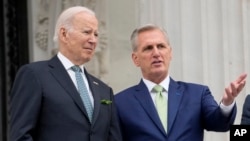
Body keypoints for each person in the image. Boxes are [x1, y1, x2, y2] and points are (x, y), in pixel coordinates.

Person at [114, 24, 247, 141]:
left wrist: (227, 102)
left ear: (170, 53)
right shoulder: (120, 103)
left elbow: (219, 124)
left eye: (161, 46)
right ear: (135, 59)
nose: (156, 53)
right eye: (148, 48)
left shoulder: (197, 94)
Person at [9, 6, 122, 141]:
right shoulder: (35, 75)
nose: (93, 40)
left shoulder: (104, 91)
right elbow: (21, 136)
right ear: (64, 34)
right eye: (87, 32)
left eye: (96, 34)